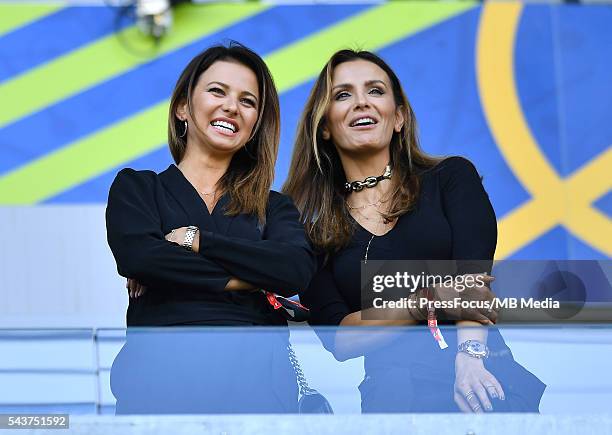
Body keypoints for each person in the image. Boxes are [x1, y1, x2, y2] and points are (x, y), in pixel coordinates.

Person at [283, 49, 545, 413]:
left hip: (482, 376)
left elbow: (472, 279)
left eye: (375, 91)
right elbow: (340, 338)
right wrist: (424, 302)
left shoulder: (450, 178)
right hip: (396, 394)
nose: (361, 102)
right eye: (343, 95)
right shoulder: (313, 230)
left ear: (399, 117)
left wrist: (470, 357)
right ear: (325, 125)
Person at [105, 42, 316, 414]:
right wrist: (249, 278)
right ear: (183, 107)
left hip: (258, 400)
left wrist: (196, 241)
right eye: (217, 91)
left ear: (254, 127)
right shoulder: (138, 187)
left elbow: (293, 270)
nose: (232, 107)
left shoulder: (275, 206)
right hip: (159, 397)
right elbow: (141, 258)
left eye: (248, 101)